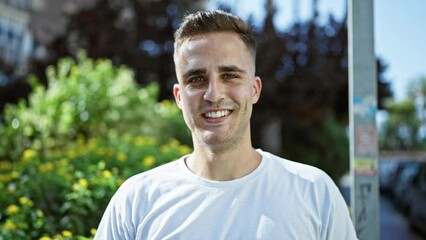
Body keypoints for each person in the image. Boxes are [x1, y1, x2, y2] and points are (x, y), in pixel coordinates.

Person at [94, 10, 358, 240]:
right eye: (196, 79)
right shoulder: (136, 201)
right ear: (178, 97)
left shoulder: (314, 192)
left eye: (230, 75)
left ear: (254, 90)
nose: (213, 94)